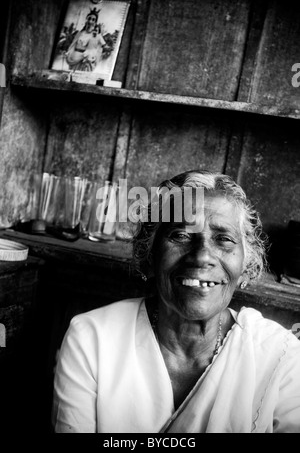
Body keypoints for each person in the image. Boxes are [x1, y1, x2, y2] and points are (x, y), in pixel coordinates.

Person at [52, 170, 300, 433]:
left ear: (246, 267)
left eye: (224, 239)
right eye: (181, 235)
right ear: (149, 255)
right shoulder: (92, 338)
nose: (202, 256)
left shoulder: (280, 355)